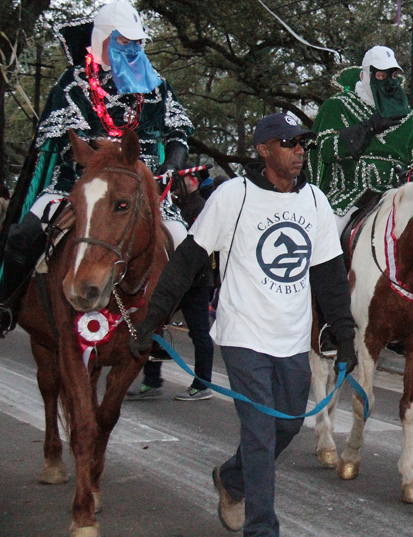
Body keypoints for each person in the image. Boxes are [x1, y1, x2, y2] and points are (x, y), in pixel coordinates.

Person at [130, 112, 358, 536]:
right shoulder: (233, 196)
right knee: (259, 434)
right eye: (288, 143)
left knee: (288, 424)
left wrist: (344, 335)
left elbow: (328, 275)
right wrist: (152, 319)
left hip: (291, 338)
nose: (297, 151)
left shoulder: (314, 201)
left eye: (301, 143)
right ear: (263, 149)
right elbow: (186, 263)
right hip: (244, 335)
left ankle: (232, 478)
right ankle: (262, 528)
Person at [0, 0, 196, 335]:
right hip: (81, 181)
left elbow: (178, 132)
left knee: (183, 242)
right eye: (123, 40)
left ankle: (155, 319)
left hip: (141, 181)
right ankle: (7, 304)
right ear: (103, 38)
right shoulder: (72, 83)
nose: (132, 48)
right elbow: (61, 139)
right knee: (25, 236)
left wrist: (172, 163)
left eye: (137, 42)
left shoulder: (156, 85)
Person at [307, 45, 413, 233]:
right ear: (365, 75)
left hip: (395, 197)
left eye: (393, 76)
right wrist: (368, 128)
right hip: (347, 198)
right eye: (381, 76)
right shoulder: (338, 106)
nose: (388, 82)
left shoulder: (409, 118)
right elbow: (324, 150)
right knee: (326, 235)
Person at [128, 170, 216, 401]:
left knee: (199, 333)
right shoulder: (175, 206)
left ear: (193, 181)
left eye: (183, 179)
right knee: (154, 323)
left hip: (196, 281)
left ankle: (202, 383)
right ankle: (152, 380)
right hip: (174, 281)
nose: (176, 184)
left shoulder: (201, 208)